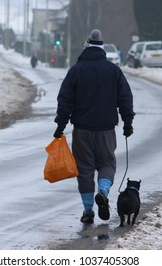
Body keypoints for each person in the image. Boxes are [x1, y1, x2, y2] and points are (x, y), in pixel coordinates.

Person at [53, 29, 135, 224]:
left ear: (86, 47)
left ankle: (88, 209)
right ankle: (104, 191)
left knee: (85, 169)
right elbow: (125, 98)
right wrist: (128, 123)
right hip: (106, 130)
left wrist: (60, 125)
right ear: (102, 49)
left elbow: (65, 100)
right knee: (107, 163)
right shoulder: (113, 70)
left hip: (82, 130)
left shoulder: (76, 71)